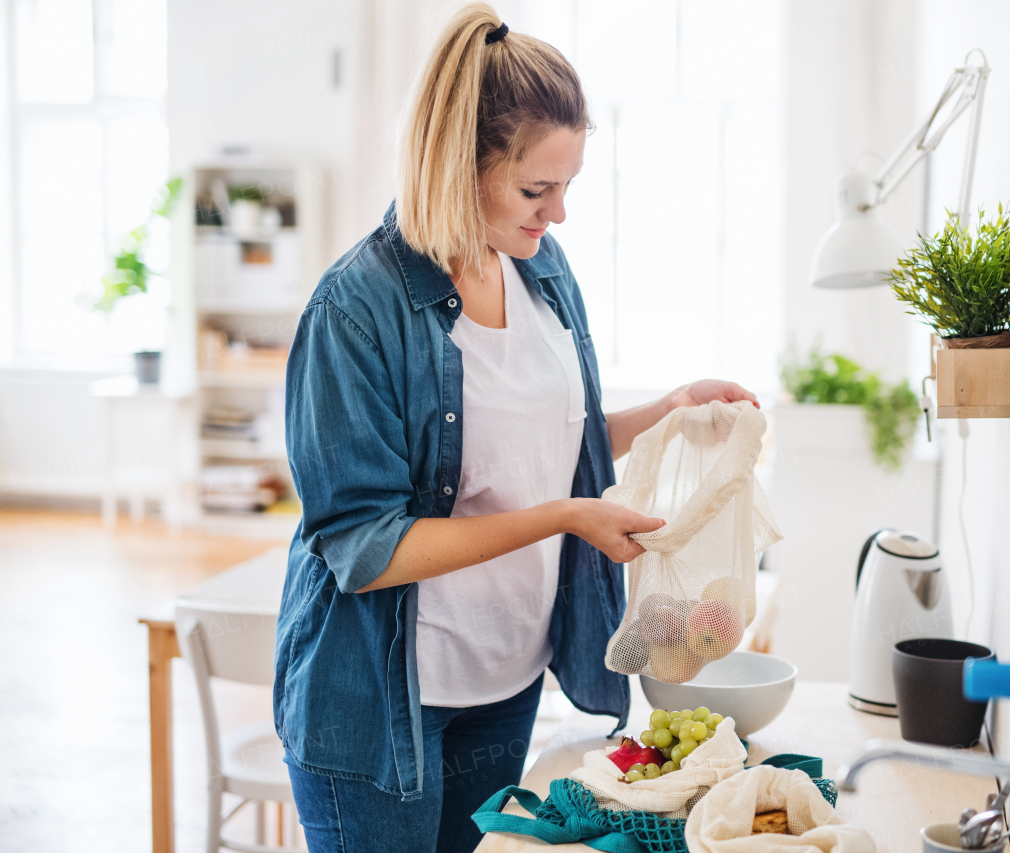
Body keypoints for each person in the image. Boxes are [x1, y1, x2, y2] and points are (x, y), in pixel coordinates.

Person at [273, 5, 758, 852]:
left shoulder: (539, 267)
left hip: (503, 680)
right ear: (460, 166)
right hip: (380, 706)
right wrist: (569, 516)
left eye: (568, 185)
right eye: (538, 190)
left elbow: (547, 445)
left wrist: (664, 413)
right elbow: (366, 546)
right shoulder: (354, 310)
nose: (559, 214)